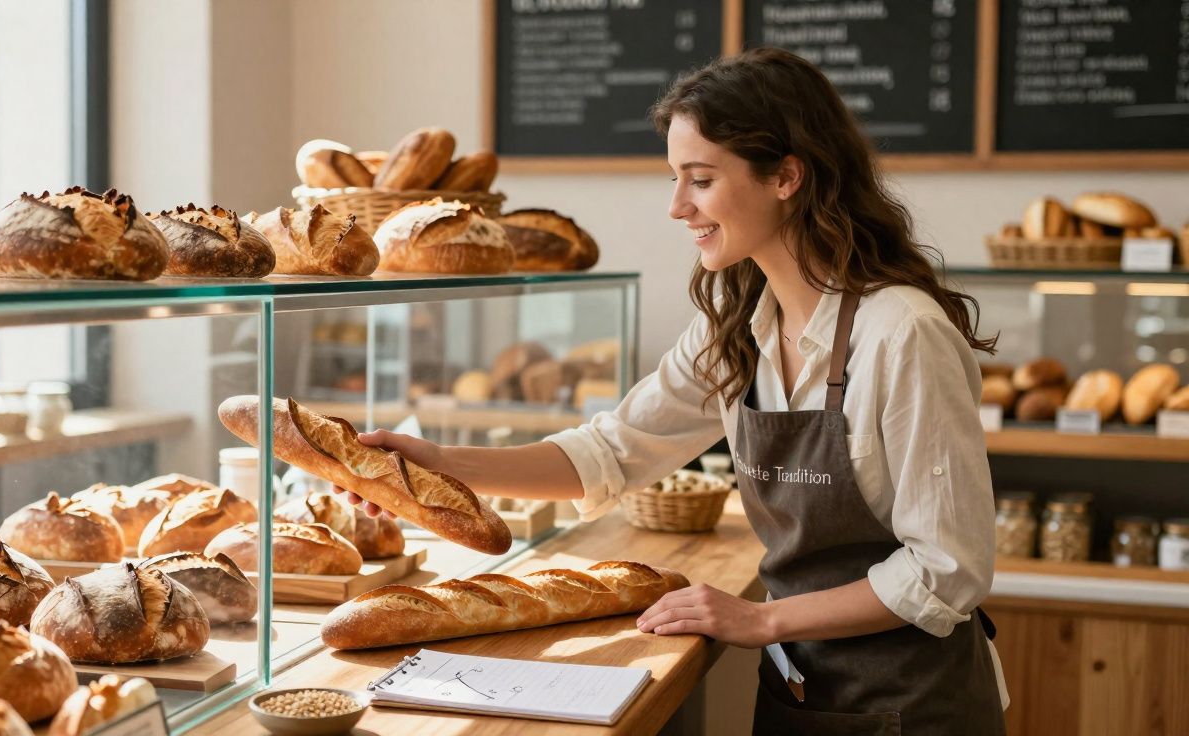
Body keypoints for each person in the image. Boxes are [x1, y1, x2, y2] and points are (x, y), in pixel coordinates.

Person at [336, 48, 1006, 734]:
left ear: (787, 176)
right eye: (675, 179)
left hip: (918, 705)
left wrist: (761, 618)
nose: (677, 206)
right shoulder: (737, 325)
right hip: (805, 693)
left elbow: (947, 570)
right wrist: (443, 465)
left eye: (701, 179)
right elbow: (612, 450)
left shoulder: (901, 333)